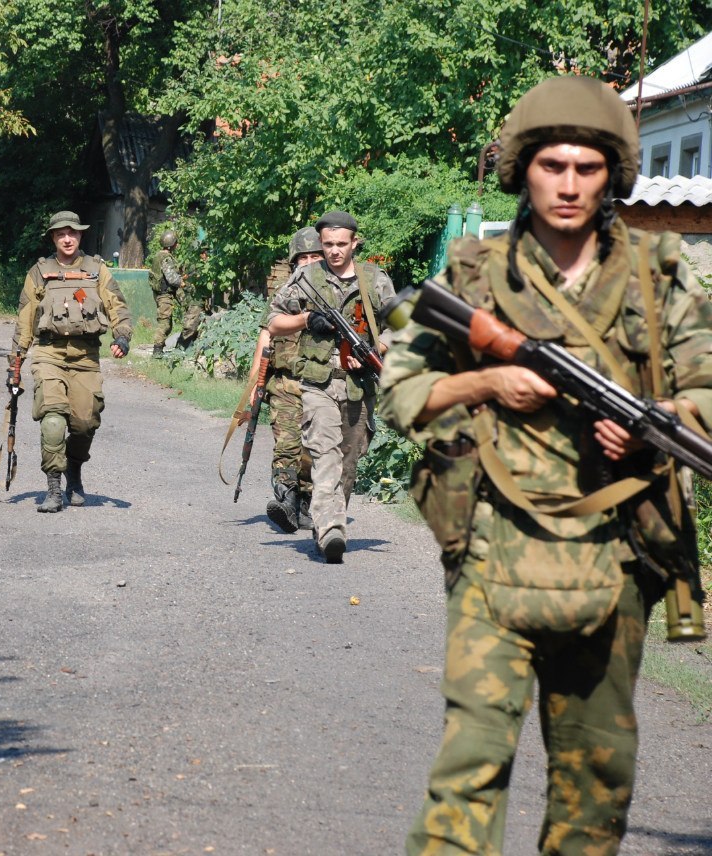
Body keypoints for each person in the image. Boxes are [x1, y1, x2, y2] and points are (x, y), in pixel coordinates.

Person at [380, 76, 712, 854]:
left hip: (615, 560)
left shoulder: (658, 274)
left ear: (613, 175)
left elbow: (706, 385)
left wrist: (658, 426)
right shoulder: (472, 275)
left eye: (587, 168)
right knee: (467, 776)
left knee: (597, 791)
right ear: (523, 168)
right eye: (552, 165)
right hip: (494, 555)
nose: (568, 185)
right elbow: (402, 393)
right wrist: (487, 379)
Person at [264, 210, 395, 562]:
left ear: (355, 242)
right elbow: (273, 320)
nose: (334, 251)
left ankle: (327, 519)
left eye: (341, 244)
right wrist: (307, 319)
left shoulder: (375, 280)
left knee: (349, 463)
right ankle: (331, 529)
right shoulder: (306, 277)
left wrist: (375, 349)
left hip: (358, 386)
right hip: (318, 383)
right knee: (325, 454)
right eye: (327, 245)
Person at [11, 211, 132, 513]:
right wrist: (15, 362)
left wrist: (122, 337)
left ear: (80, 236)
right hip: (49, 354)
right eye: (61, 233)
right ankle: (53, 488)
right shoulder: (39, 271)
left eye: (73, 233)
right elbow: (25, 319)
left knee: (84, 423)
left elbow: (117, 306)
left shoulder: (97, 270)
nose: (68, 238)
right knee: (53, 419)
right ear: (53, 237)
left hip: (86, 356)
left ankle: (73, 472)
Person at [259, 227, 323, 532]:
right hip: (284, 383)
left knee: (311, 451)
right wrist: (255, 385)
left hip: (321, 384)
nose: (309, 262)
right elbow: (265, 336)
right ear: (294, 261)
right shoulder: (285, 293)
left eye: (315, 256)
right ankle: (285, 501)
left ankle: (306, 502)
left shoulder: (334, 294)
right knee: (287, 445)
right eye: (303, 257)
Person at [149, 229, 183, 357]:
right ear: (172, 243)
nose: (177, 244)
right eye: (176, 242)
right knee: (164, 323)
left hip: (160, 294)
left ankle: (160, 347)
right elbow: (172, 278)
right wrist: (182, 282)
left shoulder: (158, 255)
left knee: (168, 323)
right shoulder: (166, 258)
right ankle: (157, 351)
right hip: (164, 295)